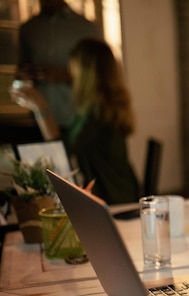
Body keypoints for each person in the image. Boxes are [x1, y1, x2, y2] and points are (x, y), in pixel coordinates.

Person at [10, 38, 139, 205]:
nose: (71, 74)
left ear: (86, 73)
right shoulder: (102, 106)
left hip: (113, 198)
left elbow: (62, 151)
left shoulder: (99, 114)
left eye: (74, 68)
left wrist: (40, 108)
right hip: (119, 189)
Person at [16, 0, 101, 132]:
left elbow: (100, 75)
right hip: (38, 120)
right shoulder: (28, 29)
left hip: (76, 118)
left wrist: (65, 76)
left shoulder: (86, 28)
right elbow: (21, 72)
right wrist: (22, 77)